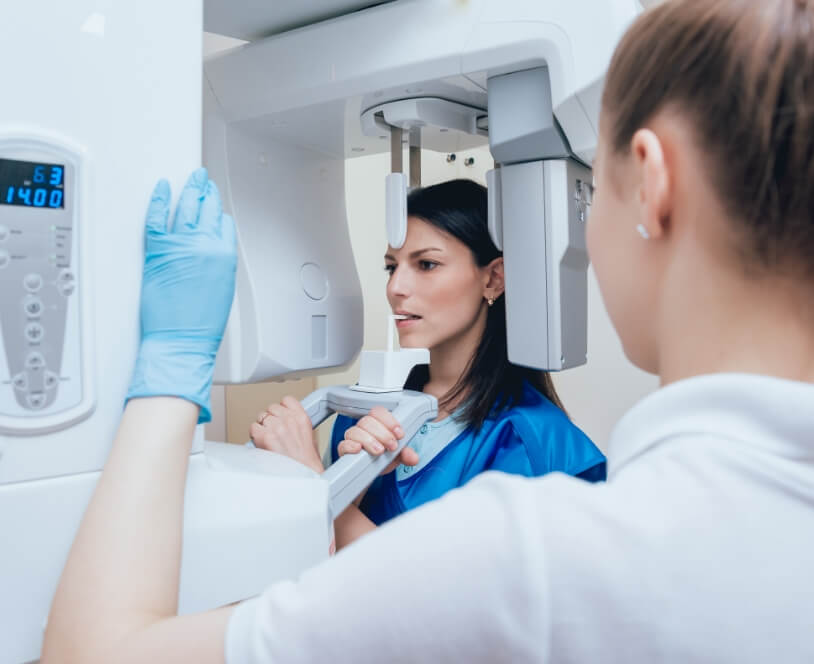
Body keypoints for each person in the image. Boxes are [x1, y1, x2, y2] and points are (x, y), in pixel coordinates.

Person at [42, 0, 814, 662]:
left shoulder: (534, 554)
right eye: (391, 264)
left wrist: (171, 374)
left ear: (652, 182)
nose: (397, 287)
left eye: (592, 192)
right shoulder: (394, 422)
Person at [248, 180, 605, 550]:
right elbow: (316, 566)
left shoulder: (530, 440)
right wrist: (350, 486)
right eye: (391, 267)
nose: (396, 288)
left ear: (494, 278)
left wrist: (313, 485)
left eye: (426, 264)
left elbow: (450, 601)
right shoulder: (364, 412)